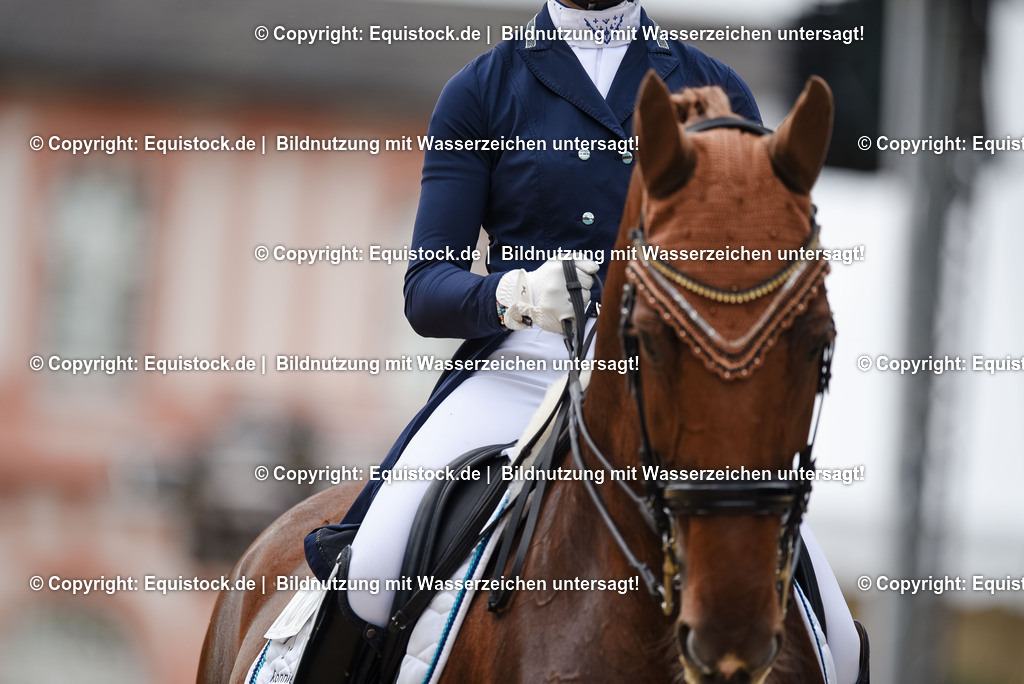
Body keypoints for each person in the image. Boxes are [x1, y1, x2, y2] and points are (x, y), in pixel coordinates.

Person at [307, 1, 863, 680]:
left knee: (840, 634)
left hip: (669, 382)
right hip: (523, 368)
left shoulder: (712, 83)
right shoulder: (483, 88)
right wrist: (512, 294)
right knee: (373, 566)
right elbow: (426, 290)